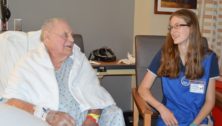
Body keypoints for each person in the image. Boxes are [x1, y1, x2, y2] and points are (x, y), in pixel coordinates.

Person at [1, 18, 125, 126]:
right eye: (65, 35)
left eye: (71, 35)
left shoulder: (78, 60)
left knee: (114, 113)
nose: (71, 39)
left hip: (84, 121)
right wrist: (47, 115)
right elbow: (11, 102)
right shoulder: (29, 63)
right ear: (47, 37)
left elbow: (96, 95)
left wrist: (92, 118)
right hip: (44, 121)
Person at [138, 9, 219, 126]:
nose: (173, 31)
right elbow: (142, 89)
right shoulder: (164, 55)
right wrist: (162, 109)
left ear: (192, 28)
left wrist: (194, 124)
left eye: (177, 26)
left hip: (197, 119)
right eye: (171, 27)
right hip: (170, 119)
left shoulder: (209, 59)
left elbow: (210, 101)